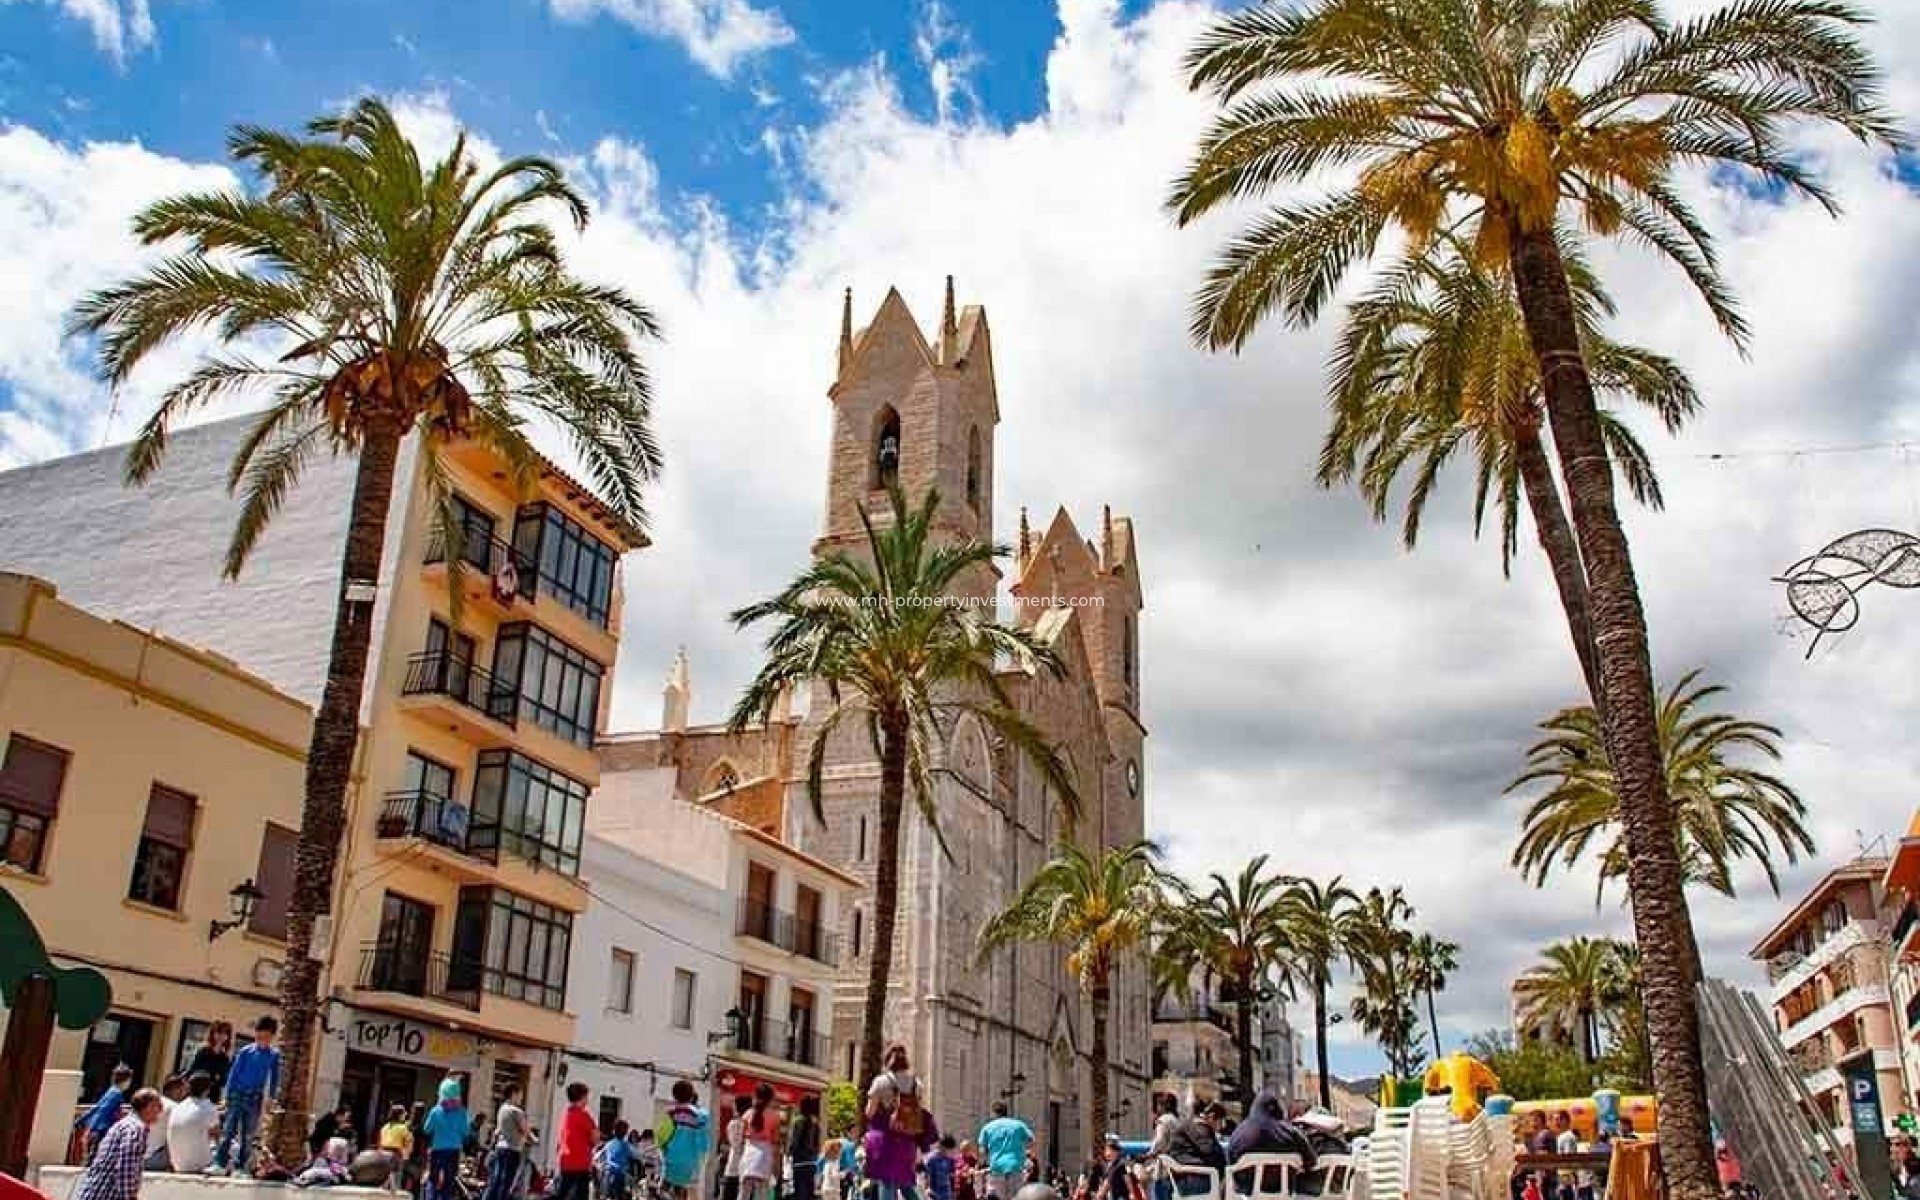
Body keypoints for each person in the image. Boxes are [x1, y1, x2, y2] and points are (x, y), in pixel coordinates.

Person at [864, 1044, 936, 1200]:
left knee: (887, 1181)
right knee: (905, 1182)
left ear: (887, 1060)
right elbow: (918, 1112)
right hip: (907, 1141)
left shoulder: (881, 1082)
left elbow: (869, 1113)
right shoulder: (917, 1083)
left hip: (885, 1140)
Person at [212, 1016, 281, 1175]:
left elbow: (275, 1078)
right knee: (228, 1130)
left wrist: (271, 1098)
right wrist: (226, 1096)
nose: (261, 1039)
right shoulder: (245, 1051)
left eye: (265, 1037)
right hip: (237, 1094)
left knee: (248, 1135)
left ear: (271, 1037)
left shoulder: (273, 1055)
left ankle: (241, 1166)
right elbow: (233, 1074)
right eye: (259, 1036)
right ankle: (219, 1164)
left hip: (254, 1098)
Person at [78, 1088, 165, 1200]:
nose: (161, 1111)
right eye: (159, 1106)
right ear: (149, 1107)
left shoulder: (125, 1125)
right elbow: (125, 1168)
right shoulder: (136, 1129)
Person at [659, 1080, 713, 1200]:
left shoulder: (670, 1114)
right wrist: (701, 1159)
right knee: (682, 1192)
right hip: (690, 1163)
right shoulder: (700, 1116)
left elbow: (661, 1138)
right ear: (691, 1096)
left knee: (663, 1190)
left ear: (674, 1096)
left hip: (671, 1162)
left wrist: (664, 1151)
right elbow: (703, 1143)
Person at [422, 1076, 472, 1200]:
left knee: (433, 1180)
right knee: (449, 1181)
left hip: (437, 1149)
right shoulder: (461, 1111)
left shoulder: (436, 1110)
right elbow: (466, 1132)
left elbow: (426, 1129)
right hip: (454, 1151)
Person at [1163, 1104, 1227, 1198]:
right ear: (1211, 1117)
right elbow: (1210, 1150)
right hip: (1192, 1178)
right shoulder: (1199, 1127)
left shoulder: (1191, 1125)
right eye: (1221, 1122)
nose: (1221, 1127)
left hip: (1187, 1177)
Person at [76, 1064, 134, 1163]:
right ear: (126, 1080)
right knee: (96, 1160)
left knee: (93, 1160)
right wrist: (92, 1129)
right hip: (102, 1131)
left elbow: (97, 1107)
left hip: (98, 1130)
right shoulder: (116, 1094)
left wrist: (82, 1120)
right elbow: (103, 1110)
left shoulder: (110, 1091)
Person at [976, 1102, 1034, 1200]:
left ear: (994, 1113)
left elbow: (982, 1151)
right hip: (1016, 1167)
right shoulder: (1019, 1125)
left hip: (996, 1168)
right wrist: (1027, 1156)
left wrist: (983, 1164)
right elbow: (1031, 1141)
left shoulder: (987, 1127)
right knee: (1016, 1197)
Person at [166, 1073, 220, 1176]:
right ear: (207, 1090)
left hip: (178, 1165)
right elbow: (216, 1136)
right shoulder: (209, 1107)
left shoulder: (177, 1107)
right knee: (232, 1149)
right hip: (199, 1166)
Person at [487, 1082, 533, 1200]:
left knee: (496, 1181)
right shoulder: (516, 1111)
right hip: (512, 1149)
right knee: (506, 1182)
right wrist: (534, 1139)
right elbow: (526, 1131)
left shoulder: (502, 1109)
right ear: (513, 1094)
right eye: (520, 1095)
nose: (521, 1098)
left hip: (500, 1149)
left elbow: (498, 1130)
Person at [738, 1084, 783, 1200]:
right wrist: (777, 1166)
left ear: (755, 1095)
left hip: (748, 1154)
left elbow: (741, 1140)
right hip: (764, 1155)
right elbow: (776, 1144)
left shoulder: (747, 1114)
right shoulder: (775, 1116)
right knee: (762, 1194)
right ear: (771, 1098)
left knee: (744, 1193)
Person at [556, 1082, 598, 1200]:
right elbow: (595, 1136)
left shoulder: (566, 1114)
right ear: (582, 1097)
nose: (587, 1100)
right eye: (586, 1097)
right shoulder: (583, 1115)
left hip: (565, 1160)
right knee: (580, 1195)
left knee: (562, 1192)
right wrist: (591, 1144)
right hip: (580, 1162)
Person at [143, 1076, 187, 1171]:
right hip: (154, 1159)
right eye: (182, 1090)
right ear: (174, 1090)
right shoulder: (174, 1107)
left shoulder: (149, 1102)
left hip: (138, 1159)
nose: (184, 1094)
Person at [186, 1023, 234, 1105]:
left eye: (225, 1033)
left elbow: (223, 1081)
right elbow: (191, 1070)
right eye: (219, 1032)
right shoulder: (203, 1051)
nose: (221, 1036)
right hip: (197, 1093)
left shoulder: (224, 1058)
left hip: (213, 1096)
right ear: (213, 1033)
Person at [787, 1097, 822, 1200]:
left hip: (799, 1161)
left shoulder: (797, 1121)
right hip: (811, 1162)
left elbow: (794, 1141)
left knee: (799, 1192)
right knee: (809, 1192)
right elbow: (817, 1144)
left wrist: (789, 1153)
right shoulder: (815, 1123)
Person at [379, 1105, 416, 1195]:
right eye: (404, 1113)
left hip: (382, 1156)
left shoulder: (385, 1127)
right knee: (395, 1184)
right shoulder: (403, 1128)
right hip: (395, 1156)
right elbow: (409, 1142)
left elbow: (381, 1142)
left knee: (384, 1183)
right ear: (399, 1115)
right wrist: (406, 1155)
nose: (405, 1115)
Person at [606, 1120, 636, 1200]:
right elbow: (636, 1155)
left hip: (609, 1174)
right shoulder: (626, 1145)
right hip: (621, 1175)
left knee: (611, 1195)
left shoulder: (609, 1144)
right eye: (626, 1130)